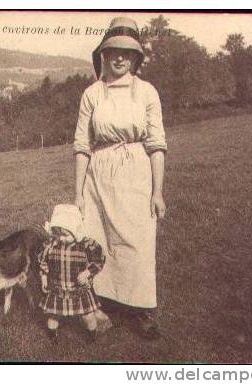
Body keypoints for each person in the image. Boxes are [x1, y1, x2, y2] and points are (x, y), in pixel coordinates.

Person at [73, 17, 167, 339]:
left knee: (137, 241)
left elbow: (157, 145)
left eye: (128, 52)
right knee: (99, 240)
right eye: (113, 50)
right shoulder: (92, 94)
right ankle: (104, 302)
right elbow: (82, 146)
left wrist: (158, 191)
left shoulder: (147, 92)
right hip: (99, 174)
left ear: (137, 57)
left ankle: (142, 310)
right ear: (104, 53)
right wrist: (78, 193)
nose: (120, 57)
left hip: (136, 172)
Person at [38, 204, 105, 343]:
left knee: (88, 315)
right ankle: (52, 336)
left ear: (76, 231)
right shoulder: (51, 245)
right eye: (58, 234)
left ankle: (92, 335)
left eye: (65, 235)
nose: (61, 238)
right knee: (53, 315)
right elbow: (43, 262)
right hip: (57, 288)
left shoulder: (86, 245)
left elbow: (100, 259)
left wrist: (88, 272)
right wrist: (44, 278)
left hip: (79, 289)